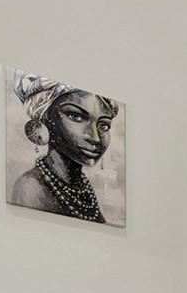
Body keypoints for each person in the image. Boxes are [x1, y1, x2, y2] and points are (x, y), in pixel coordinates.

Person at [10, 72, 117, 222]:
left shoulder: (83, 190)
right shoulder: (31, 188)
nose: (95, 137)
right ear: (44, 118)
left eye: (103, 125)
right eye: (76, 116)